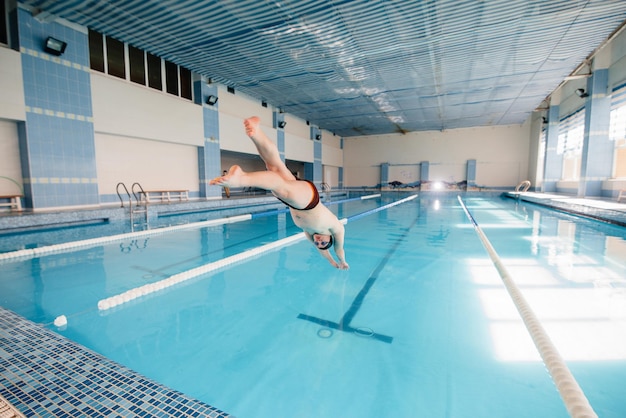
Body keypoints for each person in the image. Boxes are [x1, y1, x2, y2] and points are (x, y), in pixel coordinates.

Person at [210, 116, 349, 269]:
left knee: (274, 165)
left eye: (318, 243)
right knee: (279, 185)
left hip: (295, 201)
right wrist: (341, 261)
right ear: (330, 238)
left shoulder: (310, 234)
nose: (318, 241)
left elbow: (321, 250)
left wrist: (331, 262)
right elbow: (339, 248)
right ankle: (241, 178)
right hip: (309, 201)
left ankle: (257, 133)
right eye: (323, 242)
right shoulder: (336, 228)